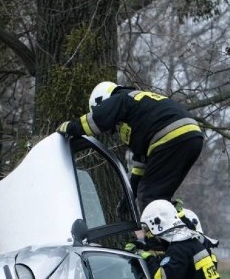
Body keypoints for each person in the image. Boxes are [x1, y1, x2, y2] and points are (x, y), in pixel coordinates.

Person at [57, 81, 204, 211]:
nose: (113, 129)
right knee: (160, 196)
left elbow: (98, 119)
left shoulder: (121, 98)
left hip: (170, 137)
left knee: (149, 195)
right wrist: (130, 196)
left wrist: (70, 127)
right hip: (192, 137)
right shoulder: (138, 108)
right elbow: (140, 164)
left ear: (103, 102)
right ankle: (181, 223)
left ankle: (156, 241)